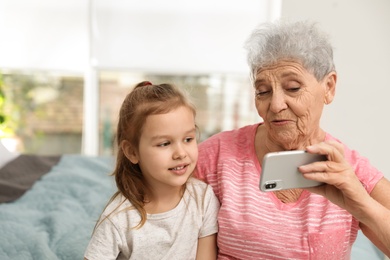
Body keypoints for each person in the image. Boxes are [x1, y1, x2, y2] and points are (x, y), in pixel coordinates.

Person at [195, 20, 390, 259]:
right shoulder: (215, 156)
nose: (275, 105)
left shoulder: (351, 170)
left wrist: (361, 204)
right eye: (263, 92)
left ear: (328, 87)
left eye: (293, 88)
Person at [84, 81, 220, 260]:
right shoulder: (118, 218)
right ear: (132, 152)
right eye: (164, 143)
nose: (180, 153)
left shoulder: (203, 199)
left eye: (188, 139)